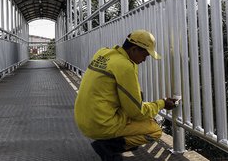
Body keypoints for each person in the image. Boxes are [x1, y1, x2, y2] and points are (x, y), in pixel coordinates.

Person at [74, 29, 177, 161]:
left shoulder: (103, 53)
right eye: (145, 55)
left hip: (83, 120)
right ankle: (109, 147)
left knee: (139, 105)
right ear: (134, 49)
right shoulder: (125, 66)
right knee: (154, 130)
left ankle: (108, 144)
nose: (145, 60)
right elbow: (137, 112)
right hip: (100, 125)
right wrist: (162, 103)